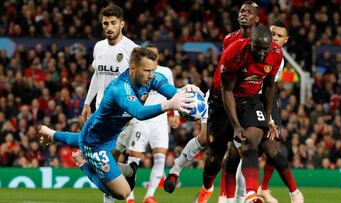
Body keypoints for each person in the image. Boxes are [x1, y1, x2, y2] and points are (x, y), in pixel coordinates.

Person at [39, 48, 198, 200]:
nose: (151, 75)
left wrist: (182, 92)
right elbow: (139, 112)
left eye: (153, 70)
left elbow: (171, 91)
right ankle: (84, 163)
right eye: (147, 71)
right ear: (133, 68)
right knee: (124, 192)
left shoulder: (150, 77)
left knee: (84, 142)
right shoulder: (120, 89)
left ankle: (52, 133)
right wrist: (169, 105)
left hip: (111, 136)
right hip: (95, 145)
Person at [163, 2, 260, 202]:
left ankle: (245, 196)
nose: (244, 14)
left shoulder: (263, 45)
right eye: (242, 11)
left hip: (245, 102)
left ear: (257, 19)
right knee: (211, 147)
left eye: (249, 12)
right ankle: (202, 185)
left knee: (244, 149)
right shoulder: (229, 39)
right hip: (219, 98)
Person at [115, 44, 177, 203]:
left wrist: (175, 113)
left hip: (160, 120)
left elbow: (173, 93)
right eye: (149, 54)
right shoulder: (139, 73)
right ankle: (130, 195)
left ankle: (150, 195)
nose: (152, 57)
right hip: (141, 119)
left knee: (160, 157)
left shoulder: (166, 72)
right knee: (134, 157)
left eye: (154, 55)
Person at [256, 20, 304, 203]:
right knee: (256, 147)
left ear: (286, 40)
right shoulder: (255, 50)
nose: (275, 38)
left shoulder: (279, 58)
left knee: (272, 143)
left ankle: (264, 188)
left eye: (279, 36)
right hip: (250, 99)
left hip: (267, 100)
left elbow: (268, 87)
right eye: (272, 34)